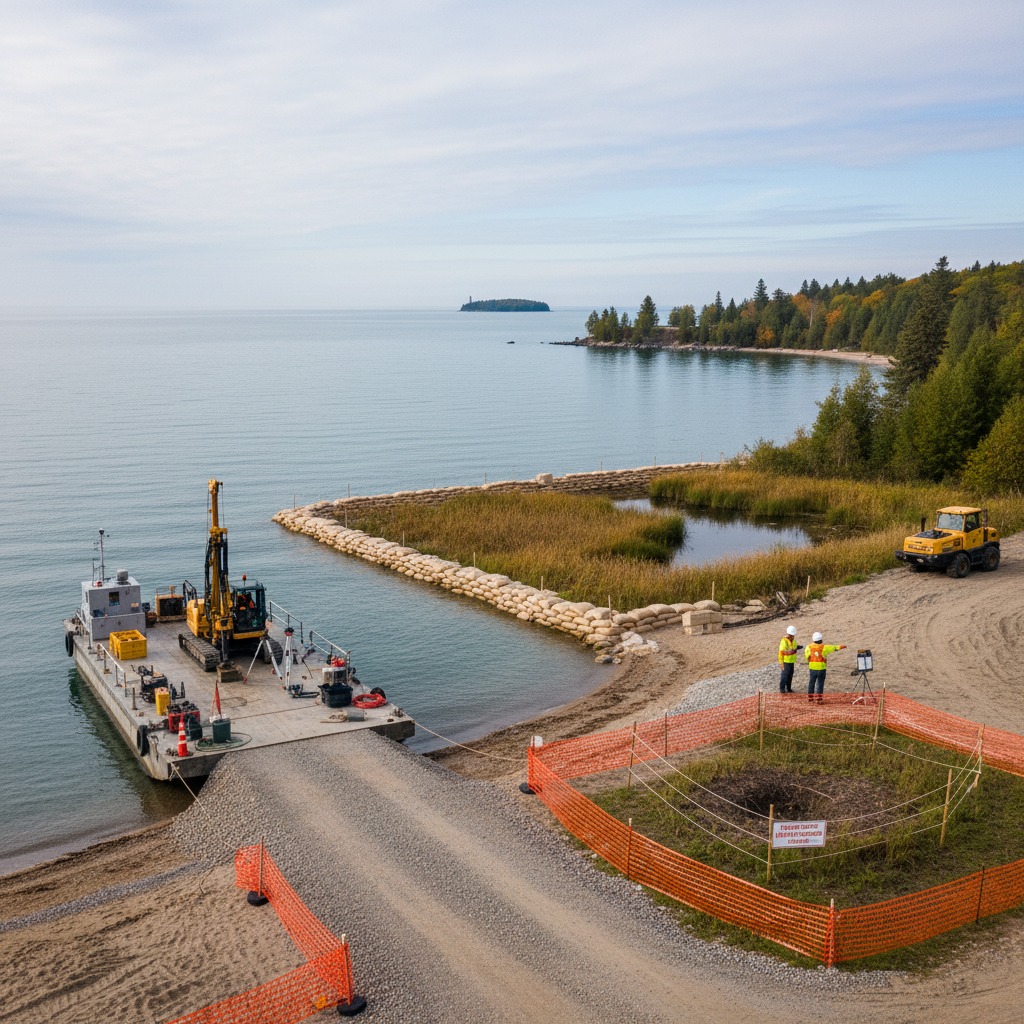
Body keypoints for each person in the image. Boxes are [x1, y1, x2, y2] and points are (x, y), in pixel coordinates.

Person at [805, 631, 846, 701]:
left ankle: (810, 697)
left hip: (812, 669)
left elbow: (807, 657)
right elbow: (834, 648)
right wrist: (842, 646)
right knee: (820, 683)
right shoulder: (824, 647)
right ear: (821, 640)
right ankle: (819, 698)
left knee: (811, 682)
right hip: (822, 669)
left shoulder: (808, 647)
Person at [777, 625, 800, 693]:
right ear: (789, 634)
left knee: (790, 675)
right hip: (785, 661)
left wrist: (798, 647)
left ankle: (789, 688)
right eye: (792, 635)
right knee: (784, 675)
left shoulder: (794, 641)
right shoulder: (784, 641)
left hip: (791, 661)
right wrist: (793, 651)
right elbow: (783, 651)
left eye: (793, 635)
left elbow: (794, 646)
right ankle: (782, 689)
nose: (793, 636)